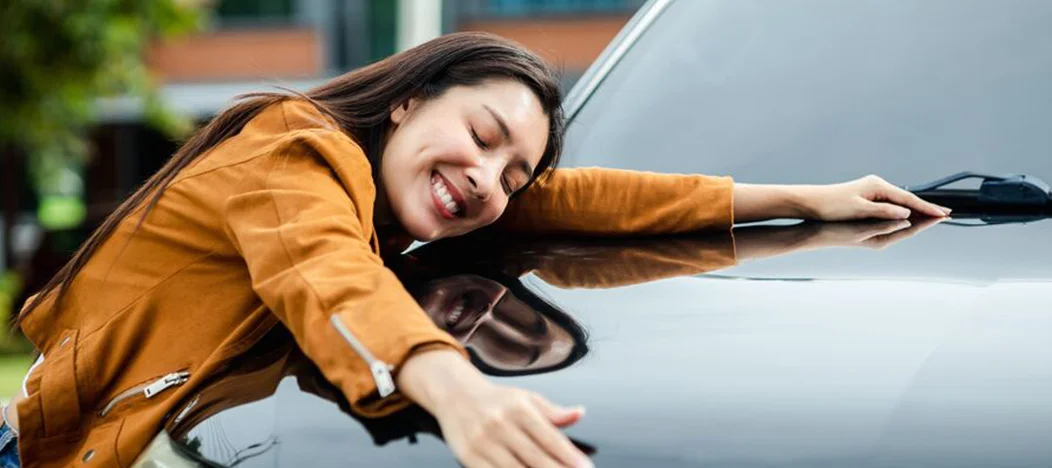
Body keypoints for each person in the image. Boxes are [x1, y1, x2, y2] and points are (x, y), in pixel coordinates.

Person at [0, 32, 948, 468]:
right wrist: (458, 390)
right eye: (483, 134)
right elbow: (320, 270)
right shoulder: (295, 147)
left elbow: (591, 197)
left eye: (513, 172)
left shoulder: (412, 198)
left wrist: (807, 198)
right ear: (410, 98)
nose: (490, 180)